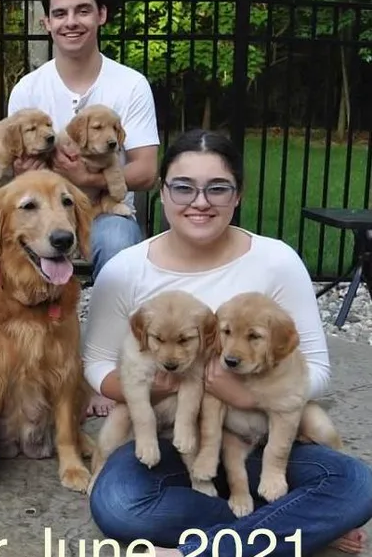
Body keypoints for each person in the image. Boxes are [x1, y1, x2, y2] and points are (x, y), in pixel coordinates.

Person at [84, 128, 372, 556]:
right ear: (162, 193)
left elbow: (318, 368)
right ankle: (294, 530)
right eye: (183, 187)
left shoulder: (276, 261)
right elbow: (96, 364)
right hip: (169, 443)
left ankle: (205, 548)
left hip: (255, 440)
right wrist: (164, 384)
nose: (200, 202)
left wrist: (246, 396)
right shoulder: (126, 269)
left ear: (237, 196)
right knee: (117, 504)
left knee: (358, 484)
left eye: (218, 188)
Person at [7, 0, 159, 418]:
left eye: (82, 11)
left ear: (102, 16)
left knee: (117, 244)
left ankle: (104, 376)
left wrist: (87, 181)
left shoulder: (130, 84)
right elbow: (19, 168)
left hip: (107, 212)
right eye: (60, 13)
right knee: (10, 248)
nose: (71, 21)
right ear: (46, 23)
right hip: (42, 214)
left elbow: (147, 170)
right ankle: (23, 372)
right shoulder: (29, 88)